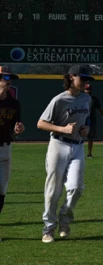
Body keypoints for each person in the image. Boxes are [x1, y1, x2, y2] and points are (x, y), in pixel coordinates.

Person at [37, 65, 93, 243]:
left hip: (78, 146)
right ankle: (49, 228)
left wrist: (86, 129)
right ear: (71, 77)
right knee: (53, 189)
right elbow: (41, 123)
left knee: (76, 187)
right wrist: (62, 128)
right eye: (82, 78)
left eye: (87, 79)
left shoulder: (86, 99)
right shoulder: (59, 100)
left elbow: (88, 119)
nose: (85, 82)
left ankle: (64, 218)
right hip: (58, 144)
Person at [0, 67, 24, 243]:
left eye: (10, 78)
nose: (9, 81)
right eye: (5, 78)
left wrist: (19, 129)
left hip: (5, 149)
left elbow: (16, 127)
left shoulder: (14, 104)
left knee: (1, 191)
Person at [84, 83, 103, 159]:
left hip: (91, 120)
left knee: (90, 137)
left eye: (89, 89)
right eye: (87, 89)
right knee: (78, 136)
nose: (88, 91)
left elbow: (100, 110)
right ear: (84, 90)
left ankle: (89, 153)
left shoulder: (94, 99)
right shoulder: (80, 98)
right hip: (82, 120)